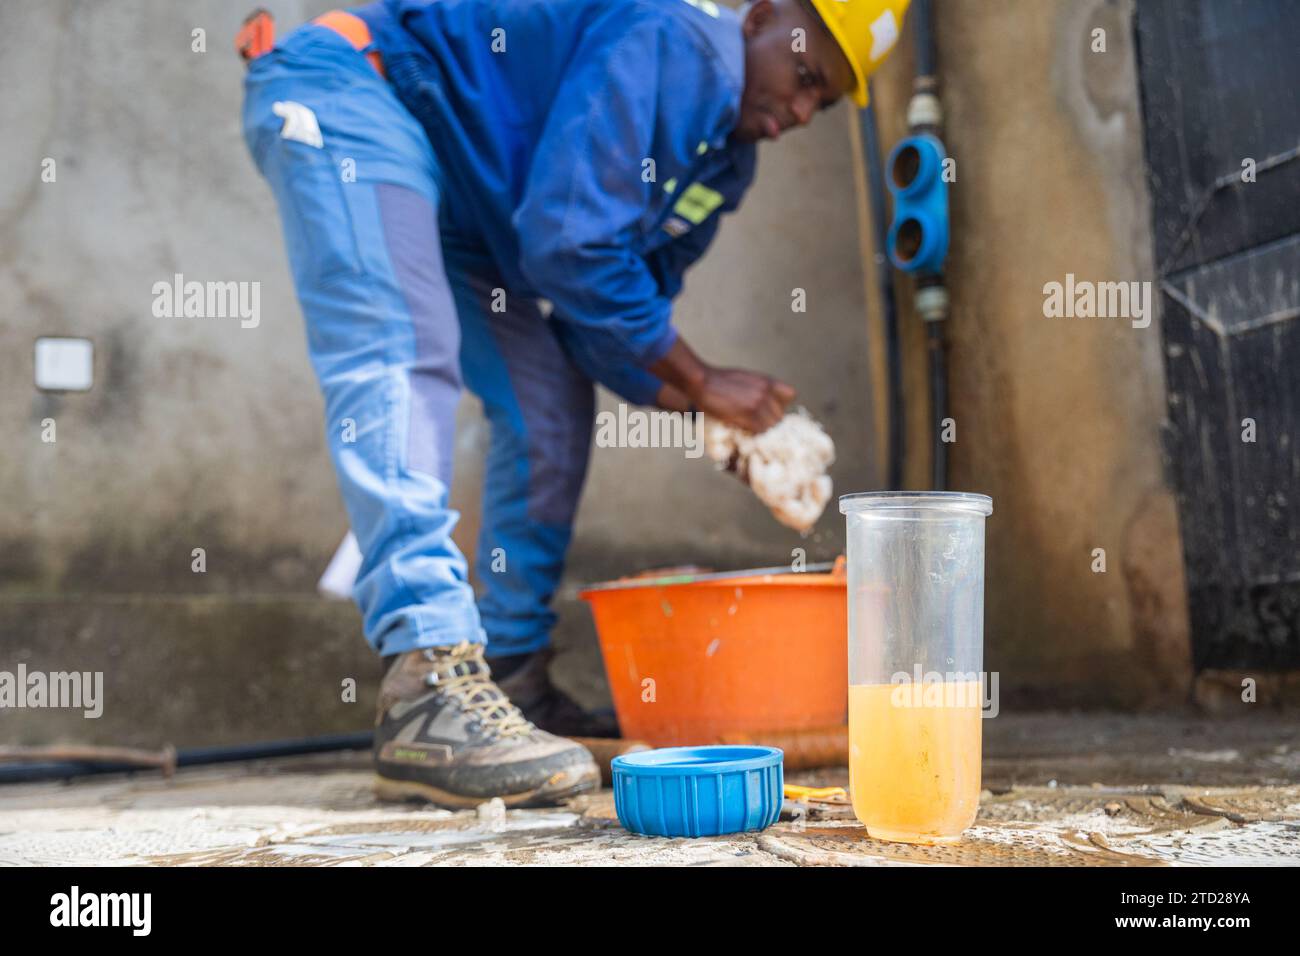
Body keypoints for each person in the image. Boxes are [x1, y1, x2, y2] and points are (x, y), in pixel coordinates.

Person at [240, 0, 910, 808]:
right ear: (762, 15)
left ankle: (509, 679)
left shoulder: (723, 162)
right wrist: (700, 378)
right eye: (804, 75)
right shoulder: (682, 43)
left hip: (470, 209)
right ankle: (427, 683)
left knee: (547, 399)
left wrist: (710, 416)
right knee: (403, 347)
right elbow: (569, 245)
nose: (801, 112)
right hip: (361, 91)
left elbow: (608, 317)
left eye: (824, 103)